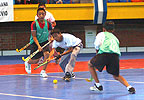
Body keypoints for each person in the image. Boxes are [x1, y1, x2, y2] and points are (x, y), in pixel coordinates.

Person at [88, 21, 136, 94]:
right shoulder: (115, 38)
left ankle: (98, 85)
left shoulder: (101, 34)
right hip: (115, 56)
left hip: (104, 54)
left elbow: (97, 45)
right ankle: (129, 87)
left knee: (90, 64)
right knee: (116, 76)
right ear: (113, 30)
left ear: (103, 29)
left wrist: (97, 52)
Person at [25, 8, 52, 78]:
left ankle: (43, 71)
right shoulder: (34, 24)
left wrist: (51, 38)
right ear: (37, 15)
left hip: (44, 42)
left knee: (47, 55)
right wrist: (39, 46)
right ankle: (27, 62)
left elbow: (50, 34)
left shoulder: (48, 24)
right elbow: (34, 36)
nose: (41, 15)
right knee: (35, 61)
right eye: (39, 14)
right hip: (35, 42)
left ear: (45, 14)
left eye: (43, 14)